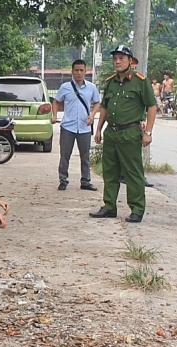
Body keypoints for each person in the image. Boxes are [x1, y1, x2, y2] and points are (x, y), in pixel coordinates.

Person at [90, 45, 157, 223]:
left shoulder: (140, 81)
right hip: (112, 133)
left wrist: (148, 132)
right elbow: (104, 107)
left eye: (121, 58)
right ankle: (109, 206)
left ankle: (137, 209)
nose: (118, 62)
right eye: (115, 59)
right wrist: (99, 129)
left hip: (130, 132)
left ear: (130, 61)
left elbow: (152, 106)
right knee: (110, 172)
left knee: (133, 172)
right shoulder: (111, 82)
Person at [52, 59, 101, 191]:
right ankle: (63, 180)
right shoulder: (65, 88)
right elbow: (56, 102)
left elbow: (97, 103)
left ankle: (85, 181)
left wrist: (92, 115)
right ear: (72, 72)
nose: (79, 73)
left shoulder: (91, 88)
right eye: (76, 70)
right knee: (65, 155)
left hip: (85, 127)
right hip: (68, 126)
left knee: (85, 156)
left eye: (81, 70)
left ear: (86, 72)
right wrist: (55, 115)